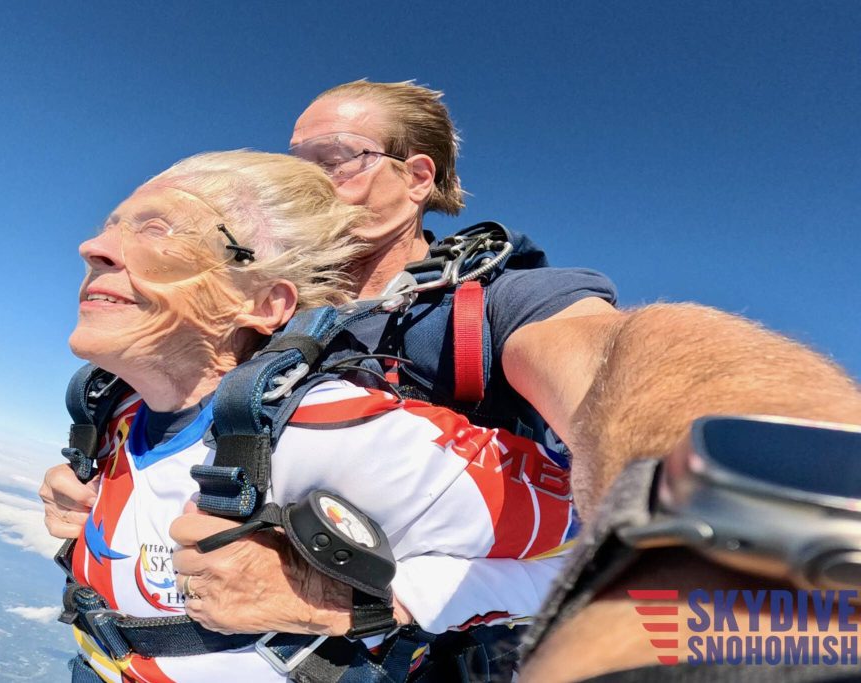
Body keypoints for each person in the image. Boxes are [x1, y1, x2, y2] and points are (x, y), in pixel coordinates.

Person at [43, 79, 861, 673]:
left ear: (418, 178)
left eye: (340, 156)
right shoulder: (246, 304)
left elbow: (618, 358)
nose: (312, 178)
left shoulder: (490, 306)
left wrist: (777, 536)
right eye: (297, 160)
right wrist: (104, 487)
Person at [59, 150, 577, 682]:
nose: (93, 248)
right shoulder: (111, 407)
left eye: (157, 229)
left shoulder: (335, 429)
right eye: (112, 227)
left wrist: (349, 600)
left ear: (263, 304)